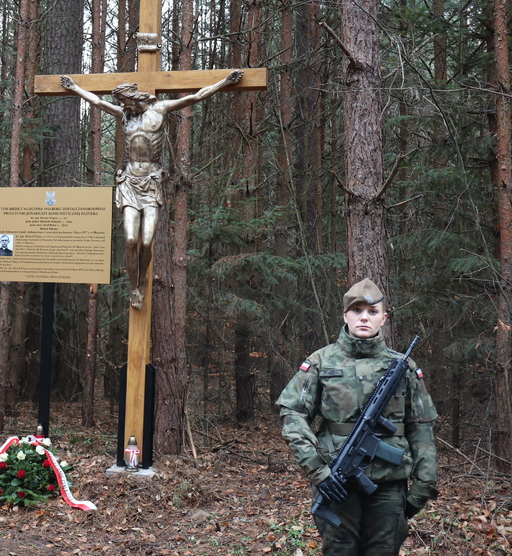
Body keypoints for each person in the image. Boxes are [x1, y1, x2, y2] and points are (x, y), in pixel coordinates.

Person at [275, 278, 438, 555]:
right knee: (339, 549)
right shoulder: (320, 361)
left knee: (383, 550)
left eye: (372, 312)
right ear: (345, 316)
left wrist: (425, 482)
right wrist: (317, 469)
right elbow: (292, 413)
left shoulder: (404, 366)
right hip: (335, 480)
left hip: (389, 483)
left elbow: (421, 427)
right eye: (357, 310)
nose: (364, 317)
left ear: (383, 318)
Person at [60, 70, 244, 310]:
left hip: (152, 184)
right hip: (129, 183)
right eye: (122, 104)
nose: (124, 107)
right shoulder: (125, 115)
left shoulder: (160, 110)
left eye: (126, 102)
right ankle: (134, 287)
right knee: (129, 239)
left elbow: (195, 97)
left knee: (146, 241)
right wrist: (74, 87)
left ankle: (142, 276)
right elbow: (97, 101)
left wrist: (224, 82)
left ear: (135, 98)